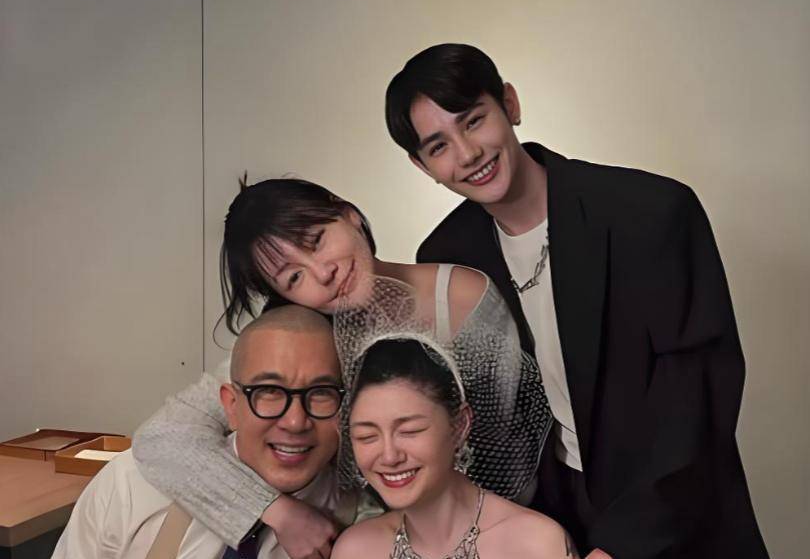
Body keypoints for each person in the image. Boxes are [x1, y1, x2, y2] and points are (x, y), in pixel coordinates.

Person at [385, 43, 768, 558]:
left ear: (510, 104)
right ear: (421, 165)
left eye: (474, 121)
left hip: (678, 512)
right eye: (439, 147)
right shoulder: (448, 257)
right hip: (553, 523)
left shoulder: (651, 211)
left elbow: (699, 394)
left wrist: (621, 546)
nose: (468, 154)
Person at [132, 178, 552, 558]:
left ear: (347, 213)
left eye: (317, 241)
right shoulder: (306, 342)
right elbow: (165, 437)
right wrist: (276, 511)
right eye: (294, 278)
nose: (324, 273)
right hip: (359, 533)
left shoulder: (461, 296)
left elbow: (506, 454)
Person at [55, 306, 379, 558]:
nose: (295, 422)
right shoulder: (129, 487)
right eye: (268, 391)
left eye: (321, 393)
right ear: (231, 405)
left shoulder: (369, 529)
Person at [332, 338, 576, 559]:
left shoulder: (535, 543)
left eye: (410, 431)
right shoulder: (356, 550)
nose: (389, 456)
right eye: (366, 436)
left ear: (459, 425)